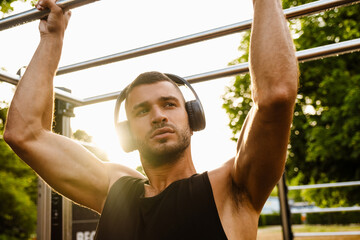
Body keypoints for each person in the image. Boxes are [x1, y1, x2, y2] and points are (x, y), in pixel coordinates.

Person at [4, 0, 298, 239]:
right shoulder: (113, 190)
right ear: (126, 131)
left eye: (169, 104)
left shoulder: (231, 188)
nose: (158, 116)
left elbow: (276, 96)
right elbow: (25, 134)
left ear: (192, 116)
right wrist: (51, 39)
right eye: (141, 111)